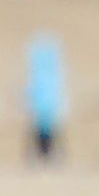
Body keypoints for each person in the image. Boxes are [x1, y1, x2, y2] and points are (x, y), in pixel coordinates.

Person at [24, 31, 66, 163]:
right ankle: (46, 159)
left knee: (46, 138)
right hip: (45, 113)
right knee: (43, 138)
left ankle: (47, 159)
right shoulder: (47, 74)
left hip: (45, 112)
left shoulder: (47, 75)